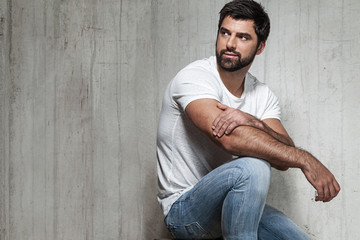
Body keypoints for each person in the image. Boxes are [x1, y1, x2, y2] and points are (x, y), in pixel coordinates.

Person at [156, 0, 340, 239]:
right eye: (225, 33)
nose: (230, 43)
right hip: (184, 212)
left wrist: (257, 122)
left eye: (243, 37)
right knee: (254, 167)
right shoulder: (194, 77)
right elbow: (230, 140)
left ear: (260, 46)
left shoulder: (261, 94)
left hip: (232, 204)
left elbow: (283, 156)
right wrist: (305, 160)